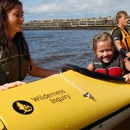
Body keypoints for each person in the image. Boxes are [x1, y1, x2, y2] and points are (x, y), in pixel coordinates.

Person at [0, 0, 59, 91]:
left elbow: (33, 70)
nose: (22, 19)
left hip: (17, 93)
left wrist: (61, 74)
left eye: (22, 15)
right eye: (17, 15)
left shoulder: (21, 43)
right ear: (2, 17)